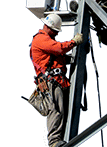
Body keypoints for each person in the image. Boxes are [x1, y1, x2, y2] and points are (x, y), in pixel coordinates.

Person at [30, 13, 83, 147]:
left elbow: (58, 58)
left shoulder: (46, 40)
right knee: (55, 111)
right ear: (49, 27)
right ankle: (54, 142)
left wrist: (72, 57)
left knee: (63, 112)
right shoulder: (41, 39)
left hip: (58, 81)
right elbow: (59, 49)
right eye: (55, 31)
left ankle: (62, 140)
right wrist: (74, 42)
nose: (56, 34)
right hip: (51, 82)